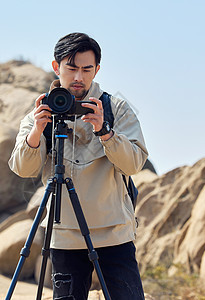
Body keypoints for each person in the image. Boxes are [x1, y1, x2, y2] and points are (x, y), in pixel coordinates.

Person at [9, 32, 148, 300]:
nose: (78, 77)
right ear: (56, 67)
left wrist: (105, 133)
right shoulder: (40, 113)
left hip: (113, 234)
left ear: (97, 70)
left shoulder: (115, 109)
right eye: (71, 68)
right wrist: (37, 132)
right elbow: (22, 169)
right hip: (64, 237)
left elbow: (134, 164)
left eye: (86, 69)